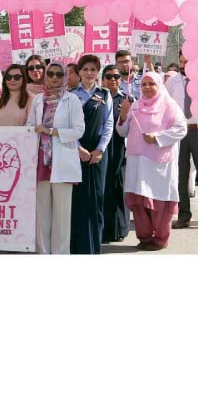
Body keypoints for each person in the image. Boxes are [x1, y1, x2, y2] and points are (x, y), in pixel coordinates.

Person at [115, 72, 187, 251]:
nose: (147, 88)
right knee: (139, 202)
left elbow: (181, 129)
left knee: (160, 202)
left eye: (151, 84)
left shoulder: (170, 106)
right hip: (137, 162)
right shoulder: (136, 106)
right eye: (144, 84)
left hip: (159, 164)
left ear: (159, 86)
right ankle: (145, 236)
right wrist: (123, 116)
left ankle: (161, 238)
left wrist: (157, 137)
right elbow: (122, 132)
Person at [26, 61, 86, 254]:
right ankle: (42, 254)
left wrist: (51, 131)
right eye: (50, 73)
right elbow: (29, 126)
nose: (54, 78)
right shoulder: (37, 100)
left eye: (59, 74)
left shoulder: (72, 100)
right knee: (41, 215)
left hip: (63, 161)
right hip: (41, 161)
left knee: (62, 216)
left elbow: (79, 130)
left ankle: (60, 256)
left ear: (65, 77)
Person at [165, 50, 198, 231]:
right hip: (179, 133)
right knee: (180, 175)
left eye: (187, 62)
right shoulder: (172, 82)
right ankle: (184, 215)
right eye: (181, 61)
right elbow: (166, 107)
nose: (184, 65)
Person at [70, 54, 114, 254]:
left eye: (93, 70)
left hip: (97, 155)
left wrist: (100, 149)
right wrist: (77, 148)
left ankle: (94, 248)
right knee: (77, 200)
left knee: (96, 198)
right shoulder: (71, 95)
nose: (89, 73)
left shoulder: (105, 94)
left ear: (98, 72)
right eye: (85, 69)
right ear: (79, 71)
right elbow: (66, 125)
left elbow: (108, 124)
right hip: (75, 153)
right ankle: (77, 247)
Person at [101, 64, 131, 244]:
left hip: (121, 147)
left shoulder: (128, 99)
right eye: (108, 76)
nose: (112, 79)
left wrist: (126, 113)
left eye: (116, 76)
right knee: (104, 187)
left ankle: (120, 228)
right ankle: (104, 229)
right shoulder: (98, 97)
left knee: (120, 187)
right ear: (102, 78)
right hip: (102, 147)